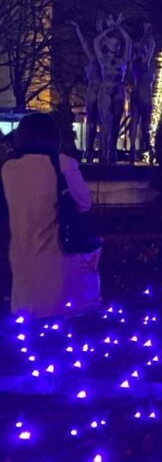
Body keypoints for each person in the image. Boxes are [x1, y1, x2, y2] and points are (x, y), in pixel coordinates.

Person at [4, 112, 96, 316]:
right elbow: (84, 203)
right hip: (57, 260)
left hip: (20, 261)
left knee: (25, 329)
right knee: (59, 330)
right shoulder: (63, 164)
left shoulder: (8, 168)